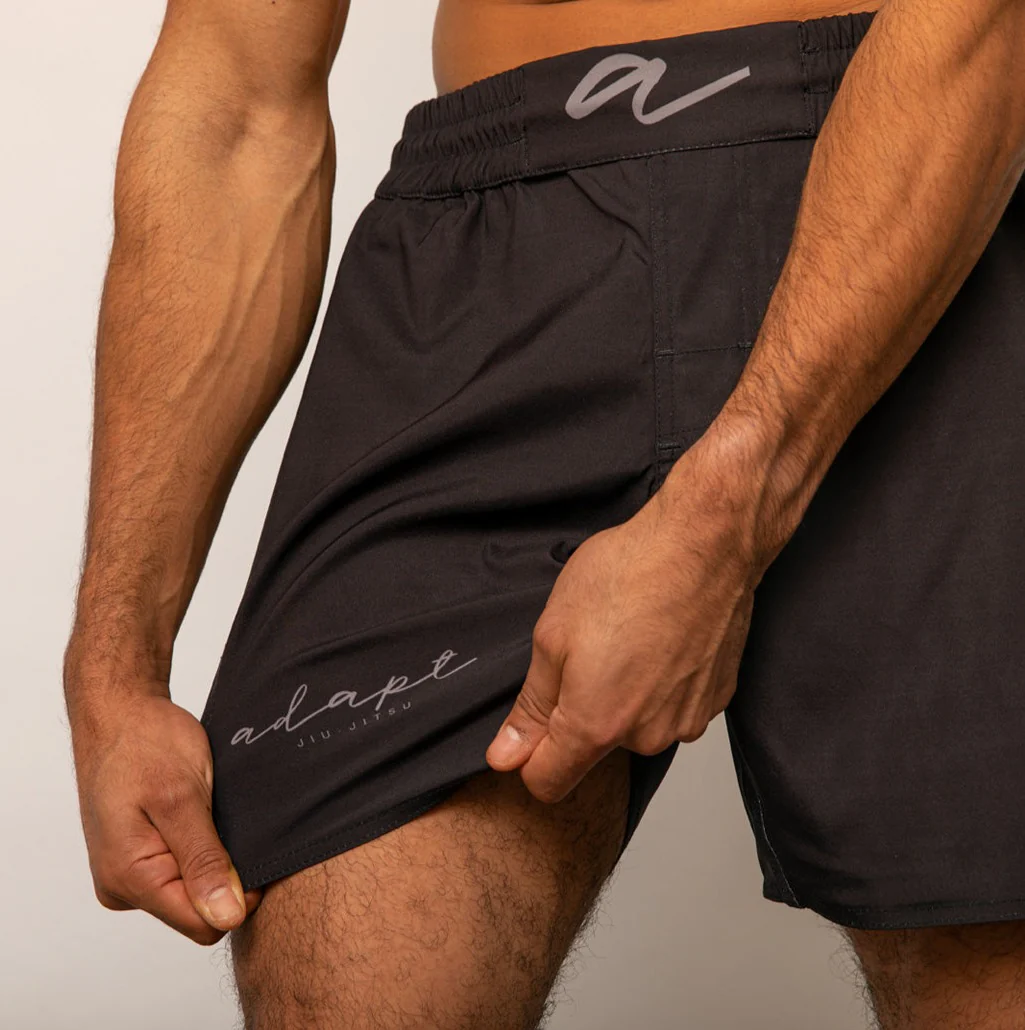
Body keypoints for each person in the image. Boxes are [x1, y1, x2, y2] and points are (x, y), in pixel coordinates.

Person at [62, 0, 1025, 1026]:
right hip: (497, 240)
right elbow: (239, 102)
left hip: (921, 170)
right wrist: (113, 662)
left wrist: (724, 513)